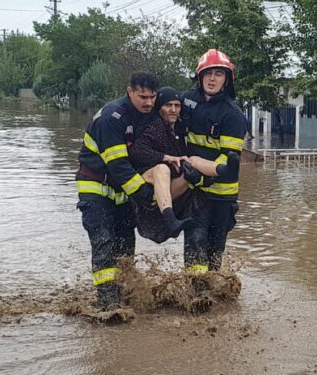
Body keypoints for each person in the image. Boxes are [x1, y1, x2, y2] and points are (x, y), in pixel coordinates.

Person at [76, 72, 159, 311]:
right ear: (129, 91)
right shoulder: (111, 118)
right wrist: (145, 196)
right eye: (143, 96)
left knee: (125, 245)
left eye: (152, 97)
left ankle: (125, 294)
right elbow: (119, 166)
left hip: (121, 192)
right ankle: (108, 304)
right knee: (104, 241)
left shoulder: (146, 116)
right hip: (96, 188)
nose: (149, 103)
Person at [129, 87, 239, 243]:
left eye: (177, 105)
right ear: (159, 107)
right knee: (163, 169)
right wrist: (165, 157)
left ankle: (223, 169)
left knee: (192, 161)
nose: (173, 110)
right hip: (148, 189)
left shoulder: (179, 130)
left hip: (170, 188)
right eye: (168, 106)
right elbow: (136, 151)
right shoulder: (154, 126)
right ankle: (170, 220)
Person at [180, 49, 247, 286]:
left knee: (214, 251)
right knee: (194, 243)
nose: (212, 79)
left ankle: (210, 291)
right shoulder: (186, 102)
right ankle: (196, 297)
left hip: (222, 196)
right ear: (199, 77)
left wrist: (202, 173)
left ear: (227, 79)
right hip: (195, 191)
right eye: (208, 73)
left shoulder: (233, 115)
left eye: (218, 74)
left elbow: (228, 161)